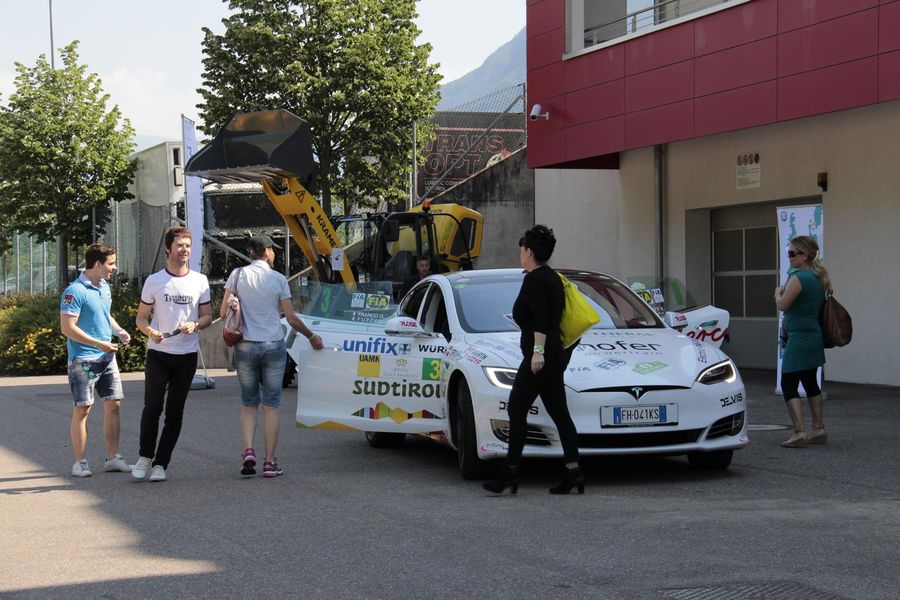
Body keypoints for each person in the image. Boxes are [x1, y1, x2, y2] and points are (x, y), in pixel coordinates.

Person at [483, 225, 583, 495]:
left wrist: (537, 353)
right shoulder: (552, 277)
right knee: (560, 414)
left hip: (542, 357)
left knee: (516, 409)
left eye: (522, 249)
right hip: (554, 355)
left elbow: (542, 318)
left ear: (529, 251)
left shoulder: (536, 280)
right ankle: (573, 472)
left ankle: (510, 472)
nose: (520, 253)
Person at [221, 234, 324, 478]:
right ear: (266, 251)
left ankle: (248, 450)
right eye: (273, 249)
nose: (275, 253)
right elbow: (290, 317)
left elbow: (224, 310)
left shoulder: (236, 275)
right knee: (271, 405)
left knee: (248, 404)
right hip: (273, 346)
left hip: (245, 345)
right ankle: (269, 462)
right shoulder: (278, 279)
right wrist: (311, 336)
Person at [132, 227, 212, 482]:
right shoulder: (154, 281)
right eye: (180, 245)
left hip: (186, 354)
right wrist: (150, 332)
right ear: (168, 248)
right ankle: (145, 457)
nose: (185, 250)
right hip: (159, 353)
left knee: (174, 412)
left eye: (188, 245)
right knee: (152, 407)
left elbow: (208, 316)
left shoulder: (200, 280)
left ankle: (161, 464)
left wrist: (196, 325)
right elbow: (141, 319)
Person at [59, 243, 132, 478]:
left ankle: (113, 458)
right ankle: (79, 462)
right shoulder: (75, 291)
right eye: (111, 263)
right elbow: (67, 328)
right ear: (98, 264)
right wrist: (98, 343)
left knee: (114, 405)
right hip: (84, 360)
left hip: (107, 357)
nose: (114, 267)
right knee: (83, 409)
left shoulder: (104, 287)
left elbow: (104, 314)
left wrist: (119, 330)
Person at [775, 235, 830, 448]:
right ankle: (819, 428)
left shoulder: (799, 278)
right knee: (809, 381)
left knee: (788, 383)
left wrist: (777, 294)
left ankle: (799, 431)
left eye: (792, 253)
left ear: (804, 256)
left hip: (798, 337)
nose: (789, 257)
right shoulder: (818, 278)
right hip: (813, 336)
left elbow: (783, 305)